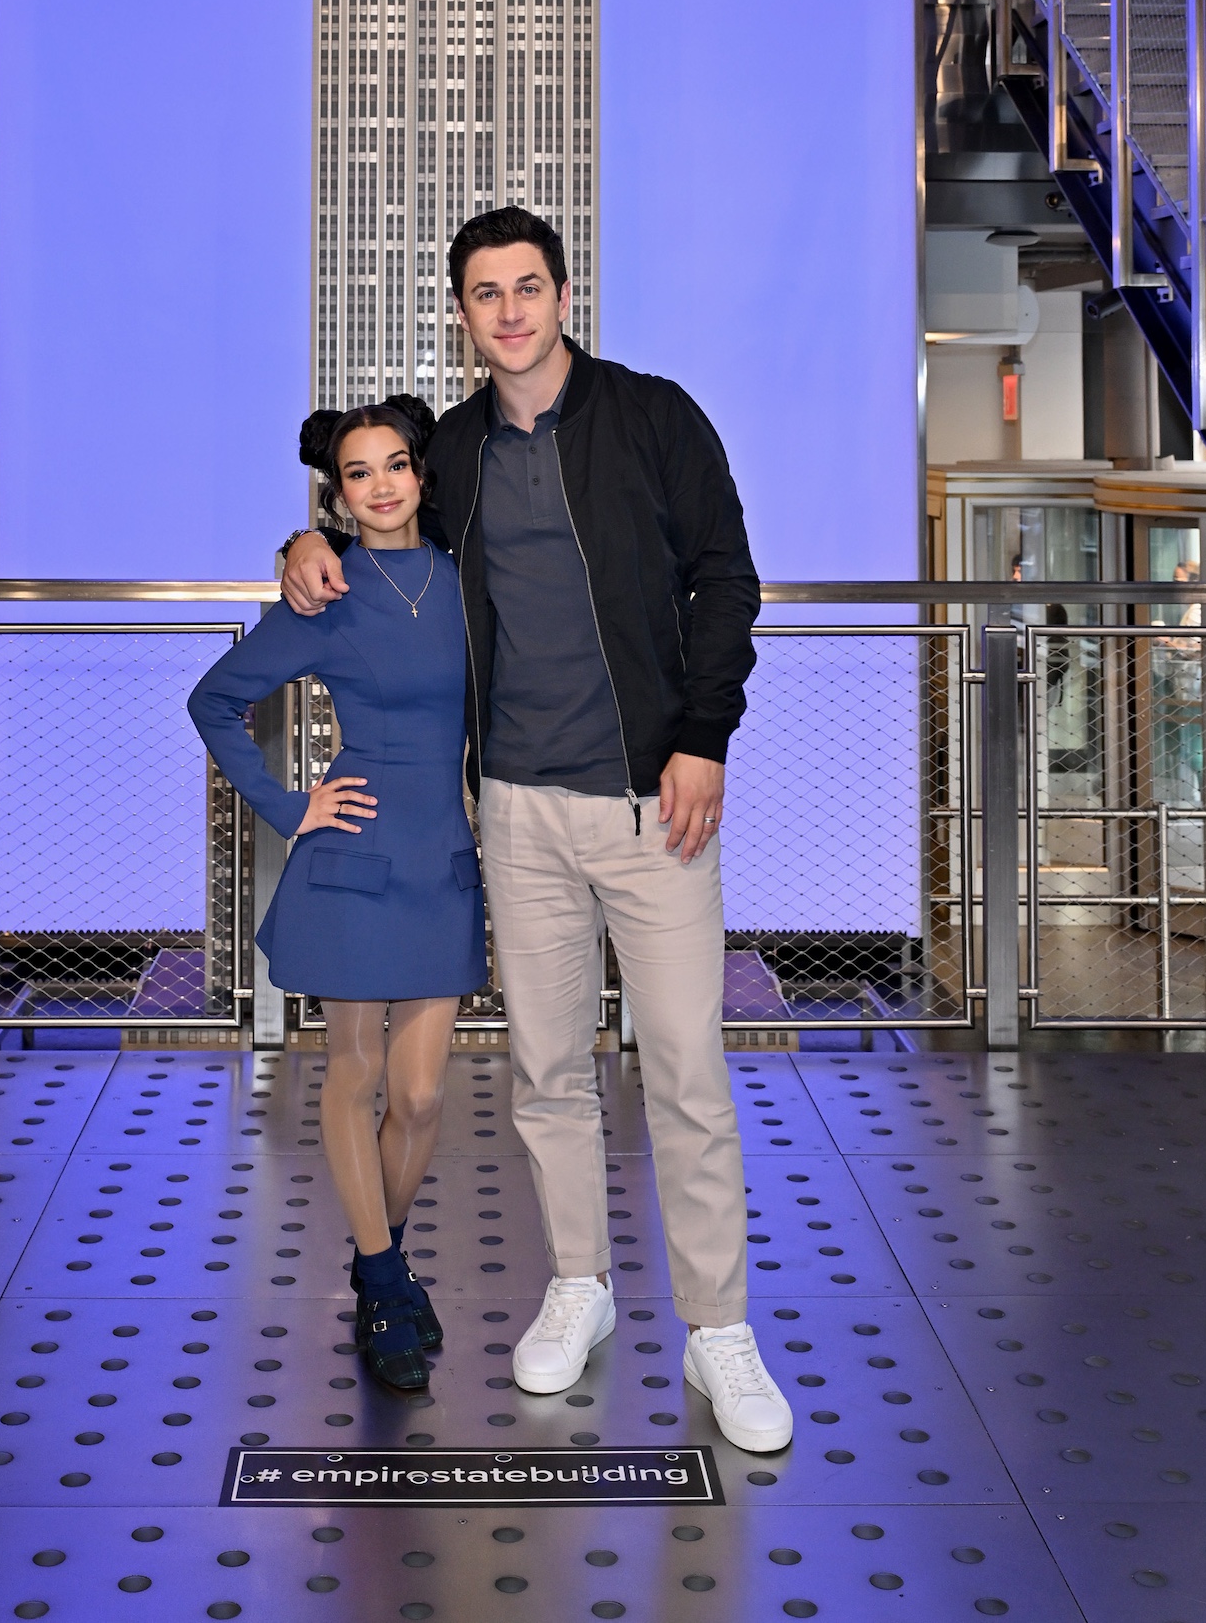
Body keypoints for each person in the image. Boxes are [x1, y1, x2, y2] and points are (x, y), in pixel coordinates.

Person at [281, 205, 792, 1454]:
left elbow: (728, 577)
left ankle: (720, 1330)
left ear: (565, 295)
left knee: (682, 1070)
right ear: (462, 315)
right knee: (547, 1076)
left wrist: (703, 736)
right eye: (483, 293)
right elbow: (376, 533)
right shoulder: (448, 453)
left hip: (652, 805)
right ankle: (582, 1285)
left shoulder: (653, 416)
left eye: (527, 287)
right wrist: (297, 540)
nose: (507, 310)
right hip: (512, 810)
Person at [188, 397, 485, 1395]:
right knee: (354, 1076)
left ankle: (379, 1259)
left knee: (423, 1092)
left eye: (397, 464)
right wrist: (287, 803)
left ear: (422, 474)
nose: (384, 484)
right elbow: (215, 700)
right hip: (352, 859)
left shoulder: (465, 578)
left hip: (441, 857)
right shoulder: (323, 594)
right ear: (337, 493)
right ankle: (388, 1285)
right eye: (360, 473)